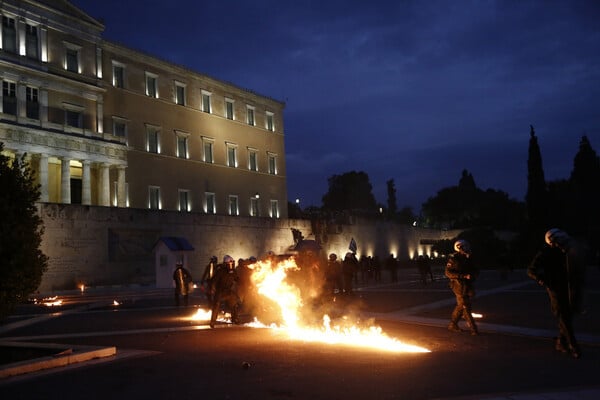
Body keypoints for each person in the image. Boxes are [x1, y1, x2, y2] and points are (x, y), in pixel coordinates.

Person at [528, 228, 586, 358]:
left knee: (567, 317)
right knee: (564, 317)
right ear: (553, 241)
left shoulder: (565, 251)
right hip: (555, 290)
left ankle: (561, 342)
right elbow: (531, 270)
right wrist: (543, 281)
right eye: (561, 241)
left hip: (568, 288)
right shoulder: (545, 253)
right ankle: (573, 346)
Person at [445, 240, 479, 335]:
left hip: (468, 286)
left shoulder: (469, 258)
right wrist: (462, 276)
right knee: (465, 306)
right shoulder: (453, 259)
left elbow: (475, 270)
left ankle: (452, 325)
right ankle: (473, 329)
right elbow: (448, 273)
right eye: (464, 247)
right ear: (459, 248)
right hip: (458, 286)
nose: (466, 248)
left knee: (461, 306)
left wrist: (473, 275)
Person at [210, 255, 241, 328]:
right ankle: (212, 321)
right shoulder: (220, 271)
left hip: (228, 291)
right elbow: (214, 281)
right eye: (229, 264)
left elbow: (237, 279)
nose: (231, 265)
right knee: (216, 305)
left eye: (232, 264)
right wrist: (212, 288)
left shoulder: (233, 272)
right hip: (220, 291)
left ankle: (235, 319)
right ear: (225, 264)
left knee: (234, 303)